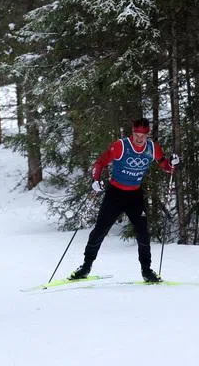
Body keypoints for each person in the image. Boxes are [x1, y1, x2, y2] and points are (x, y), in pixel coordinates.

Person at [70, 118, 178, 283]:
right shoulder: (121, 146)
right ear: (132, 132)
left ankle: (147, 271)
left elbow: (165, 166)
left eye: (143, 135)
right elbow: (100, 162)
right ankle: (85, 267)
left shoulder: (152, 148)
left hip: (135, 195)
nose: (139, 138)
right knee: (100, 230)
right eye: (136, 134)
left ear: (147, 134)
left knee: (143, 233)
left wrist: (172, 163)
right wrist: (95, 180)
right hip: (115, 194)